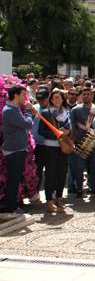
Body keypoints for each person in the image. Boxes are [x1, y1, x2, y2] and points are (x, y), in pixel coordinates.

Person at [1, 86, 34, 214]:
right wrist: (29, 112)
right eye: (23, 95)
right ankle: (11, 209)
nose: (25, 98)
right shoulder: (10, 111)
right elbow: (28, 124)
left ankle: (13, 207)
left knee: (14, 180)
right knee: (13, 180)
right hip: (14, 151)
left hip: (17, 149)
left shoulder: (14, 109)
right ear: (16, 95)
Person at [38, 89, 71, 213]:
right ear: (51, 100)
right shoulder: (46, 113)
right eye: (54, 98)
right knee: (50, 174)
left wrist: (67, 132)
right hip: (50, 147)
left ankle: (59, 198)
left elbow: (69, 128)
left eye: (59, 97)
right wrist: (56, 134)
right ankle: (49, 201)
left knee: (62, 173)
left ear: (63, 99)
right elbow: (41, 131)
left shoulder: (66, 112)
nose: (56, 100)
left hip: (63, 147)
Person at [69, 87, 95, 198]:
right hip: (79, 142)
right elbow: (72, 125)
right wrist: (72, 141)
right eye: (84, 94)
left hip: (93, 143)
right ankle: (79, 189)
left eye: (88, 94)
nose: (86, 95)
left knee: (94, 167)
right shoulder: (75, 110)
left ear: (92, 96)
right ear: (81, 96)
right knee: (79, 167)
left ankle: (94, 188)